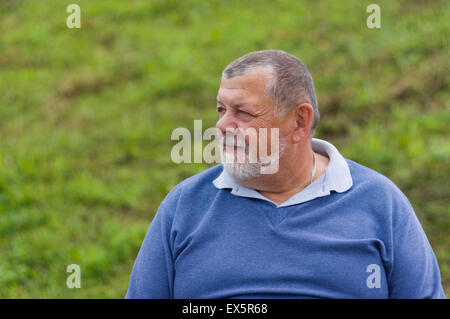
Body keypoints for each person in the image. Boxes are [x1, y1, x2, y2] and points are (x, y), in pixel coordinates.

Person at [125, 50, 445, 298]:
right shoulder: (184, 206)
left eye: (243, 112)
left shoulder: (380, 202)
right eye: (222, 110)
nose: (221, 126)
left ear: (299, 122)